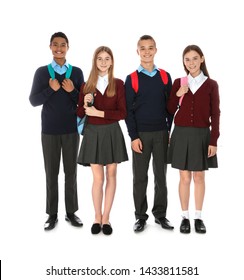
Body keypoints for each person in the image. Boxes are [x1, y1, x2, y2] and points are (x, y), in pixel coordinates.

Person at [29, 32, 84, 230]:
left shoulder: (76, 73)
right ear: (50, 47)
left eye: (63, 44)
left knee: (71, 172)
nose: (59, 48)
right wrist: (50, 89)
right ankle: (52, 215)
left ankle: (71, 212)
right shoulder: (42, 73)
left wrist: (73, 92)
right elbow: (33, 101)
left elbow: (84, 103)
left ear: (68, 47)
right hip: (49, 131)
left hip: (71, 130)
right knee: (51, 173)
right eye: (55, 44)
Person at [167, 45, 220, 234]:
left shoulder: (211, 84)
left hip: (201, 134)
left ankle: (198, 216)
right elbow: (170, 110)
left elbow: (215, 113)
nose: (191, 63)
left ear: (202, 59)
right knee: (184, 176)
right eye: (187, 59)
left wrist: (214, 140)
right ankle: (184, 216)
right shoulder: (178, 82)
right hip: (181, 133)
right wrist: (177, 95)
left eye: (195, 58)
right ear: (183, 62)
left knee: (199, 176)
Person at [125, 35, 174, 233]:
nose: (146, 51)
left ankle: (160, 215)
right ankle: (140, 216)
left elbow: (171, 107)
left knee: (161, 177)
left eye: (150, 48)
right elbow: (128, 111)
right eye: (142, 48)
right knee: (139, 177)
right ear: (137, 51)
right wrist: (134, 136)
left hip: (161, 133)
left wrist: (169, 131)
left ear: (156, 50)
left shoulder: (164, 76)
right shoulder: (132, 78)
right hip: (141, 136)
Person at [77, 46, 128, 235]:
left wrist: (99, 112)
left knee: (111, 174)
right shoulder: (86, 85)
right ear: (95, 61)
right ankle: (96, 217)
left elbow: (122, 113)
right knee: (97, 178)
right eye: (100, 59)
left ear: (112, 61)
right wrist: (84, 104)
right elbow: (80, 113)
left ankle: (106, 218)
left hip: (112, 132)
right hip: (92, 132)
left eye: (107, 58)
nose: (104, 62)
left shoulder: (118, 83)